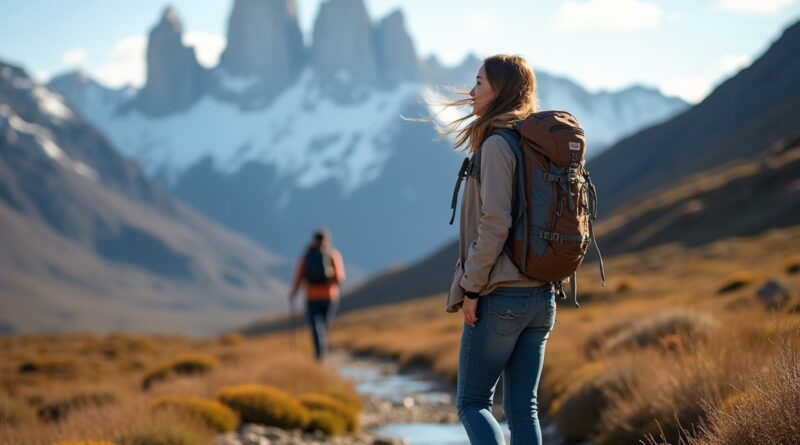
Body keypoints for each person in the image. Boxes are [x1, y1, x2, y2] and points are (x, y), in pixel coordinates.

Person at [443, 55, 557, 444]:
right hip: (542, 297)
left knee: (473, 402)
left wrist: (471, 288)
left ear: (501, 91)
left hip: (499, 295)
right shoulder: (538, 143)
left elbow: (495, 222)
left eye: (479, 83)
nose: (471, 92)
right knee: (524, 407)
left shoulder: (497, 144)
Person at [289, 228, 346, 360]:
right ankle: (322, 355)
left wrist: (294, 292)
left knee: (316, 328)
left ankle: (319, 356)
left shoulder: (307, 255)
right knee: (324, 327)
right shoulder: (333, 254)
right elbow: (340, 277)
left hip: (311, 296)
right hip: (329, 296)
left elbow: (299, 275)